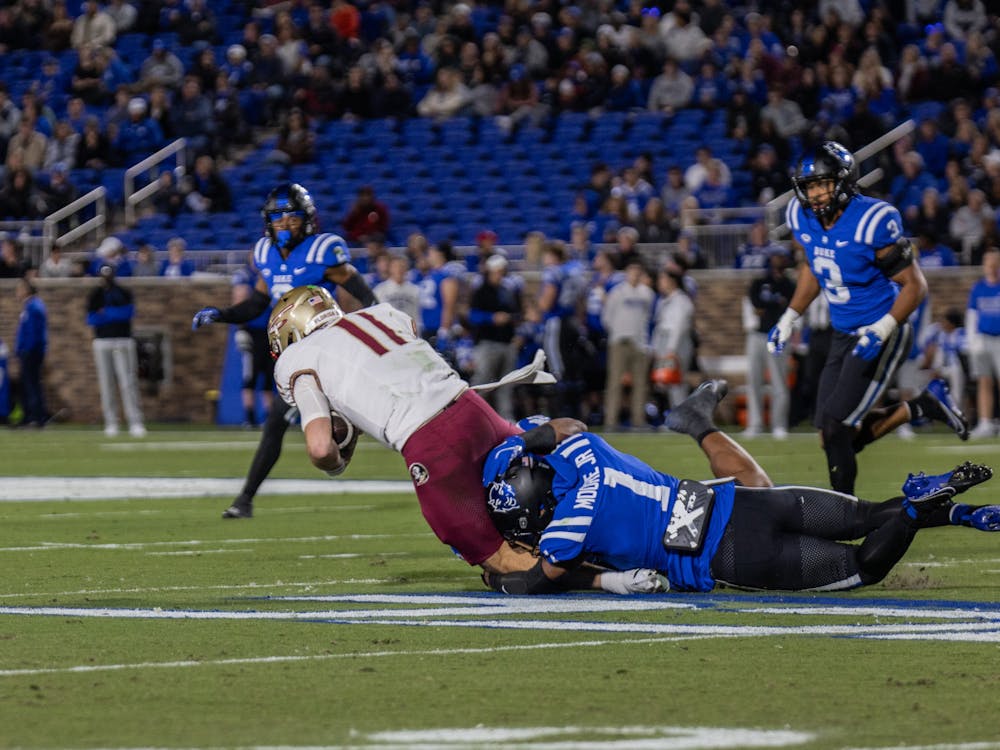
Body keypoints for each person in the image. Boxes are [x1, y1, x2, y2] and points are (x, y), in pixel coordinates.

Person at [480, 381, 1000, 595]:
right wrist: (530, 438)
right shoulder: (581, 450)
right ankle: (957, 512)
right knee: (867, 514)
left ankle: (915, 514)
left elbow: (542, 579)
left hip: (727, 555)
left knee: (864, 567)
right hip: (741, 503)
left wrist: (503, 581)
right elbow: (563, 426)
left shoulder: (566, 530)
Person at [266, 284, 581, 581]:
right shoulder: (380, 314)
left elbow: (320, 448)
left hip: (431, 441)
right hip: (472, 407)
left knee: (501, 562)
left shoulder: (299, 357)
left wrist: (336, 462)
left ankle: (607, 579)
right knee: (542, 477)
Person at [767, 141, 969, 494]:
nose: (814, 194)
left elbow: (914, 286)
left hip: (881, 328)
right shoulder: (801, 217)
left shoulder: (872, 220)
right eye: (809, 186)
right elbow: (815, 267)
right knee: (830, 437)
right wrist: (790, 316)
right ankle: (922, 406)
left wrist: (883, 327)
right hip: (843, 331)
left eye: (822, 184)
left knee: (834, 428)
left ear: (843, 182)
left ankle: (842, 516)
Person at [191, 183, 377, 519]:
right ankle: (248, 497)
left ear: (306, 219)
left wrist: (373, 328)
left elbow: (366, 296)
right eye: (277, 216)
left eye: (292, 216)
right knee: (277, 422)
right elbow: (258, 302)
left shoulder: (323, 250)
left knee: (279, 421)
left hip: (324, 350)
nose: (285, 222)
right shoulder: (265, 252)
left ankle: (247, 498)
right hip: (292, 355)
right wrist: (222, 314)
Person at [87, 263, 146, 438]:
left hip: (122, 340)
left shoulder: (124, 292)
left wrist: (106, 314)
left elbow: (127, 313)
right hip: (102, 341)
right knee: (106, 384)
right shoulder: (95, 294)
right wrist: (111, 315)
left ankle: (135, 421)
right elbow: (91, 318)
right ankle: (111, 421)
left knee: (128, 382)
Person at [744, 252, 795, 439]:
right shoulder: (759, 282)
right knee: (754, 381)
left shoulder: (789, 285)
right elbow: (756, 305)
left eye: (781, 256)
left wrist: (771, 305)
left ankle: (779, 425)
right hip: (757, 335)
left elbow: (788, 307)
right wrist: (775, 303)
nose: (778, 259)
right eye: (775, 256)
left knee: (779, 382)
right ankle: (755, 424)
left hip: (779, 336)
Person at [966, 248, 1000, 439]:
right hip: (983, 339)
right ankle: (985, 422)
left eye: (995, 263)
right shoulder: (978, 288)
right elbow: (972, 314)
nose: (992, 267)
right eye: (989, 263)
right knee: (984, 381)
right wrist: (972, 340)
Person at [13, 278, 47, 428]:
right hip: (29, 351)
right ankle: (30, 416)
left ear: (26, 290)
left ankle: (35, 417)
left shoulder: (33, 307)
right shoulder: (30, 306)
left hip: (31, 352)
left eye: (19, 289)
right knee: (29, 385)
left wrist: (26, 350)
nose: (17, 292)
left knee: (31, 385)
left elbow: (33, 333)